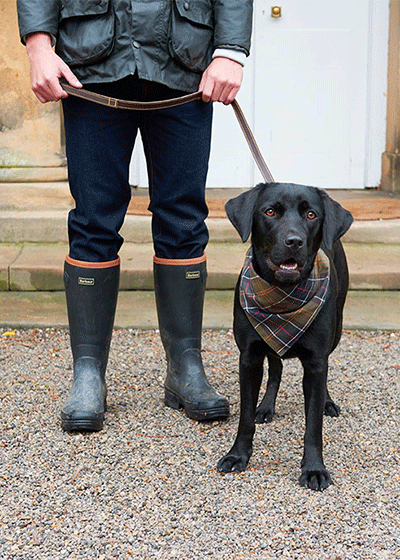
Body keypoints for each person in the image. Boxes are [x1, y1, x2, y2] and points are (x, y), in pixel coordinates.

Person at [17, 0, 253, 432]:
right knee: (93, 222)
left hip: (185, 63)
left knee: (184, 220)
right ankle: (87, 372)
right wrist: (38, 45)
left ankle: (185, 366)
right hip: (92, 66)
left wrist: (230, 49)